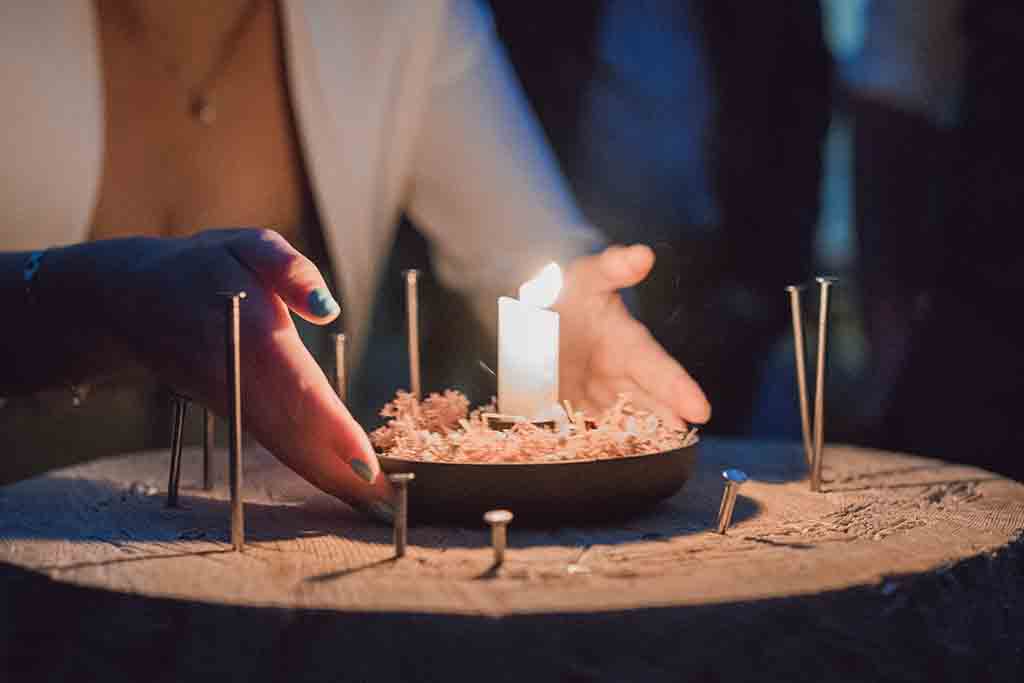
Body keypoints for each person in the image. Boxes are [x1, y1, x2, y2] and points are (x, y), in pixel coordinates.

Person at [0, 1, 709, 517]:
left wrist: (577, 319)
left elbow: (524, 243)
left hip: (293, 566)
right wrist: (81, 295)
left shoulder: (398, 15)